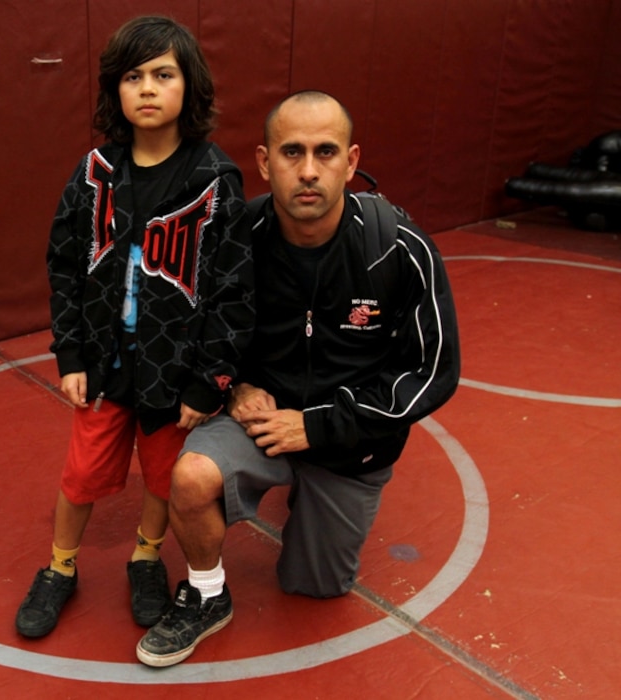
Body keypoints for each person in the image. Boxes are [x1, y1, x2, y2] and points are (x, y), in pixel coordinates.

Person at [136, 90, 461, 666]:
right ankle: (208, 595)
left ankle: (313, 509)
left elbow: (431, 372)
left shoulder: (399, 249)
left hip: (350, 444)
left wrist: (320, 426)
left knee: (315, 586)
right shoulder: (233, 238)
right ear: (264, 162)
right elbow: (188, 331)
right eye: (291, 152)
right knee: (189, 477)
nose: (308, 171)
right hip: (261, 420)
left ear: (352, 161)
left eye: (326, 152)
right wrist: (230, 387)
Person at [15, 15, 255, 639]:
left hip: (173, 372)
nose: (147, 87)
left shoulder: (216, 180)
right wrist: (69, 352)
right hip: (103, 364)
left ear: (189, 87)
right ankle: (59, 568)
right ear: (114, 91)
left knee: (162, 476)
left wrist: (210, 381)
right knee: (81, 475)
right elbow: (65, 264)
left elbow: (234, 291)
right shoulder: (94, 171)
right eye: (133, 76)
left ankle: (145, 557)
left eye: (163, 74)